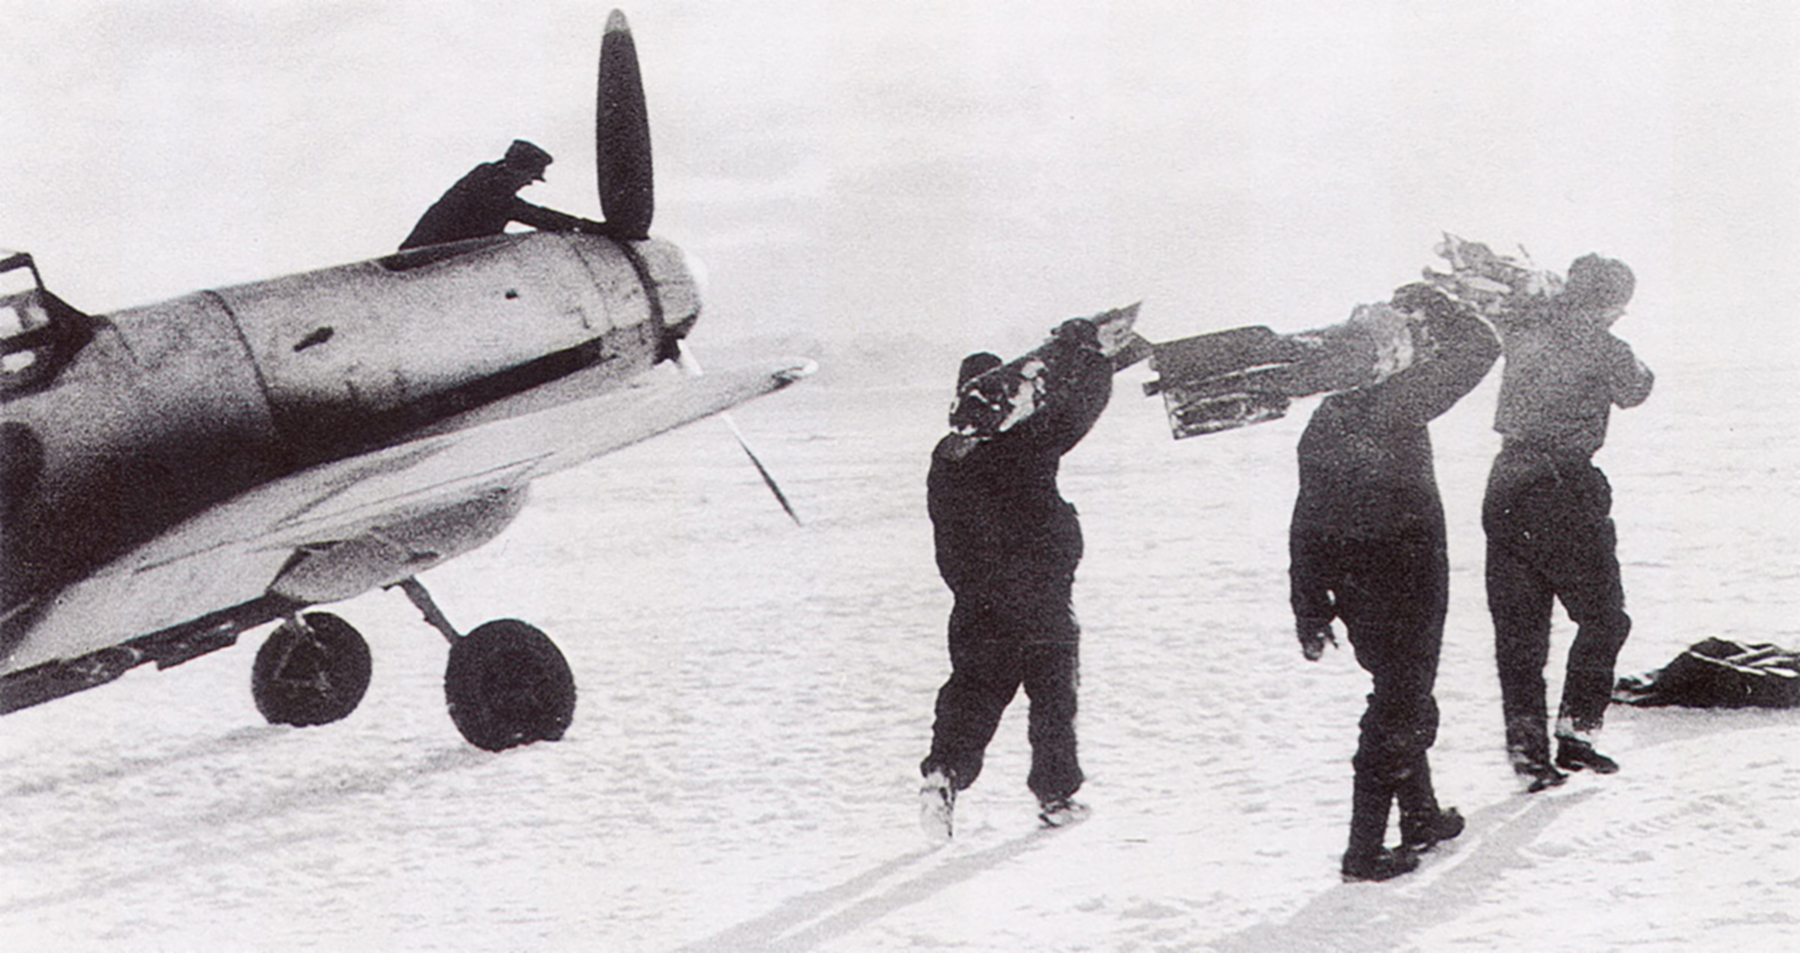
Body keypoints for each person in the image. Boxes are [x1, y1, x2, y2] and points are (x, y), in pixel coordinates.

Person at [1290, 283, 1500, 882]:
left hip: (1354, 582)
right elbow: (1482, 346)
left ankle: (1420, 816)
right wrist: (1436, 304)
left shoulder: (1328, 417)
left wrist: (1310, 604)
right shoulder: (1395, 403)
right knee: (1401, 705)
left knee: (1401, 691)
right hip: (1405, 575)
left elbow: (1306, 518)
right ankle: (1364, 851)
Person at [919, 318, 1113, 837]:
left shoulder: (946, 458)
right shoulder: (1026, 441)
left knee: (974, 692)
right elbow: (1079, 412)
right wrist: (1094, 358)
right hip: (1040, 595)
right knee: (1053, 698)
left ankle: (944, 773)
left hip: (977, 601)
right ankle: (1056, 796)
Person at [1482, 253, 1653, 792]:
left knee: (1521, 634)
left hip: (1506, 483)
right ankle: (1577, 734)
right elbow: (1637, 387)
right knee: (1604, 618)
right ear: (1608, 304)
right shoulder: (1603, 345)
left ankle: (1528, 752)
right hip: (1562, 488)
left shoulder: (1526, 327)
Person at [399, 139, 607, 250]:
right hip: (427, 261)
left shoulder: (486, 179)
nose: (528, 183)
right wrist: (588, 226)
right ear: (518, 170)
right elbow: (533, 214)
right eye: (531, 177)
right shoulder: (490, 190)